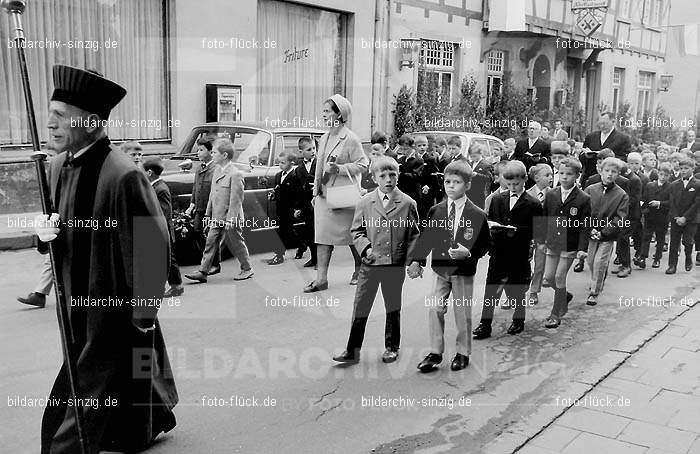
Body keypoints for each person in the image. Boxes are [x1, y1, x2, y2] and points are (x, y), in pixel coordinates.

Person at [36, 65, 177, 453]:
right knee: (123, 377)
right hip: (73, 303)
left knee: (85, 393)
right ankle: (144, 424)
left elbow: (151, 246)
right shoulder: (55, 165)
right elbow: (56, 227)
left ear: (93, 121)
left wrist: (143, 317)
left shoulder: (124, 174)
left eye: (61, 115)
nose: (50, 123)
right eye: (51, 112)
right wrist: (43, 233)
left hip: (111, 305)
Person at [333, 157, 420, 365]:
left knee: (392, 306)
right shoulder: (365, 202)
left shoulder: (408, 203)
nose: (388, 180)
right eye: (383, 176)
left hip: (393, 265)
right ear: (373, 178)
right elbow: (356, 230)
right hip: (370, 264)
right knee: (361, 306)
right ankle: (352, 350)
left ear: (398, 176)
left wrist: (415, 261)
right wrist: (366, 248)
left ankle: (392, 347)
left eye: (393, 175)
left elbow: (415, 235)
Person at [409, 161, 491, 372]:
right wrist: (417, 261)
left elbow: (485, 245)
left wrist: (469, 253)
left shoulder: (477, 214)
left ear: (468, 185)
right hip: (440, 270)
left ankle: (463, 353)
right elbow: (427, 238)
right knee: (434, 308)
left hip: (463, 271)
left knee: (462, 312)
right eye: (447, 181)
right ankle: (435, 352)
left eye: (457, 182)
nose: (451, 186)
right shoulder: (436, 210)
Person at [304, 94, 368, 292]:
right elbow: (319, 167)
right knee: (322, 237)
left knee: (350, 237)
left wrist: (340, 168)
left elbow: (363, 164)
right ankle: (321, 280)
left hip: (343, 197)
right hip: (324, 196)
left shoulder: (350, 138)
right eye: (323, 111)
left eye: (327, 111)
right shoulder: (324, 137)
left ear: (339, 114)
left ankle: (360, 269)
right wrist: (315, 192)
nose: (323, 115)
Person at [473, 160, 543, 339]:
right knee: (491, 287)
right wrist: (491, 227)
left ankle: (518, 319)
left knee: (517, 288)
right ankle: (485, 323)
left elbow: (539, 230)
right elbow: (489, 220)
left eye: (516, 184)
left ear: (525, 179)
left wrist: (520, 231)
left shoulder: (533, 203)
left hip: (519, 252)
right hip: (499, 250)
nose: (513, 187)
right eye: (509, 184)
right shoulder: (497, 199)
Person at [184, 138, 254, 282]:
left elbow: (236, 200)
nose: (212, 155)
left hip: (230, 218)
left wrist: (231, 220)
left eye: (215, 152)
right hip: (217, 216)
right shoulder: (217, 170)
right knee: (210, 242)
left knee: (237, 243)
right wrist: (208, 214)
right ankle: (203, 271)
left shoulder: (235, 174)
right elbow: (212, 194)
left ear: (224, 156)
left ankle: (247, 268)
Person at [541, 158, 591, 328]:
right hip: (553, 242)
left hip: (570, 244)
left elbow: (585, 226)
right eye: (561, 173)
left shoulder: (583, 198)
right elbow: (545, 218)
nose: (564, 177)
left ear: (577, 176)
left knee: (559, 276)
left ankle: (556, 314)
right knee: (548, 277)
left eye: (569, 174)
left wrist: (582, 249)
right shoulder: (551, 194)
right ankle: (564, 295)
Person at [583, 157, 629, 306]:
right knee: (590, 261)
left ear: (618, 174)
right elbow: (584, 211)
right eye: (607, 171)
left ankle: (594, 292)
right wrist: (590, 228)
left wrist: (604, 232)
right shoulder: (590, 189)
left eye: (614, 172)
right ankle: (599, 278)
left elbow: (619, 218)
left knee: (599, 262)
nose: (610, 174)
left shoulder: (621, 195)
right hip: (591, 232)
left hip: (607, 235)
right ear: (600, 171)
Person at [143, 157, 184, 297]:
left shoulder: (160, 189)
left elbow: (163, 212)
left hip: (162, 230)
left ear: (149, 172)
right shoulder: (155, 186)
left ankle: (177, 286)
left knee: (169, 260)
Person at [184, 137, 219, 272]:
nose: (198, 153)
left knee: (211, 236)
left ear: (210, 151)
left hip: (211, 209)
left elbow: (216, 191)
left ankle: (214, 264)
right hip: (199, 207)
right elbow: (195, 188)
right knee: (197, 232)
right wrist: (192, 204)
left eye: (201, 150)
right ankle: (207, 262)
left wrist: (211, 212)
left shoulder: (216, 168)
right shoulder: (199, 168)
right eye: (197, 150)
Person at [267, 151, 305, 265]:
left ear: (291, 163)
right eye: (279, 163)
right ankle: (302, 244)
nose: (280, 165)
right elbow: (278, 189)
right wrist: (273, 196)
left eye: (283, 163)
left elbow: (299, 194)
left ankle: (279, 255)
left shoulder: (295, 176)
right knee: (288, 231)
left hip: (290, 208)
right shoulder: (278, 175)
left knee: (283, 231)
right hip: (280, 207)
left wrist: (298, 208)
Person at [666, 155, 700, 274]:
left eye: (686, 168)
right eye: (681, 168)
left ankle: (688, 258)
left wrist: (685, 217)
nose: (683, 171)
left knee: (687, 241)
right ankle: (672, 265)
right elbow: (672, 202)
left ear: (692, 169)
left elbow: (697, 204)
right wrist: (676, 217)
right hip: (676, 218)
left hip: (691, 219)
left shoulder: (697, 184)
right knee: (674, 242)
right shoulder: (674, 185)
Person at [525, 163, 553, 305]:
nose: (551, 178)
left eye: (552, 175)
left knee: (540, 265)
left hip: (543, 236)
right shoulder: (527, 194)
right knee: (523, 263)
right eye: (547, 175)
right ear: (536, 178)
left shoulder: (553, 194)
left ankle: (534, 291)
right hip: (528, 236)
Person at [581, 111, 631, 186]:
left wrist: (610, 158)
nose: (602, 126)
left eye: (605, 123)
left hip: (611, 179)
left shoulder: (623, 138)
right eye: (600, 123)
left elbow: (624, 159)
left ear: (613, 122)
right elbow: (581, 156)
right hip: (591, 177)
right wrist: (586, 156)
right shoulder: (591, 137)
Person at [637, 163, 672, 269]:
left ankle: (657, 258)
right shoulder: (650, 185)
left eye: (666, 175)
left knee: (660, 238)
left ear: (669, 176)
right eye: (661, 174)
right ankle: (643, 257)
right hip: (650, 215)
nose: (663, 177)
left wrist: (660, 203)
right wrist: (643, 210)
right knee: (646, 236)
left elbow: (671, 202)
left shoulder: (671, 187)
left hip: (662, 216)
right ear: (658, 173)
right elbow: (644, 198)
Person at [295, 137, 318, 267]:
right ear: (301, 152)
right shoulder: (298, 169)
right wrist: (297, 208)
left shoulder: (319, 164)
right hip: (306, 205)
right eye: (309, 149)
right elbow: (298, 190)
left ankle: (321, 260)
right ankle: (314, 257)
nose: (313, 151)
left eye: (314, 148)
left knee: (319, 233)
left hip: (318, 203)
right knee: (309, 232)